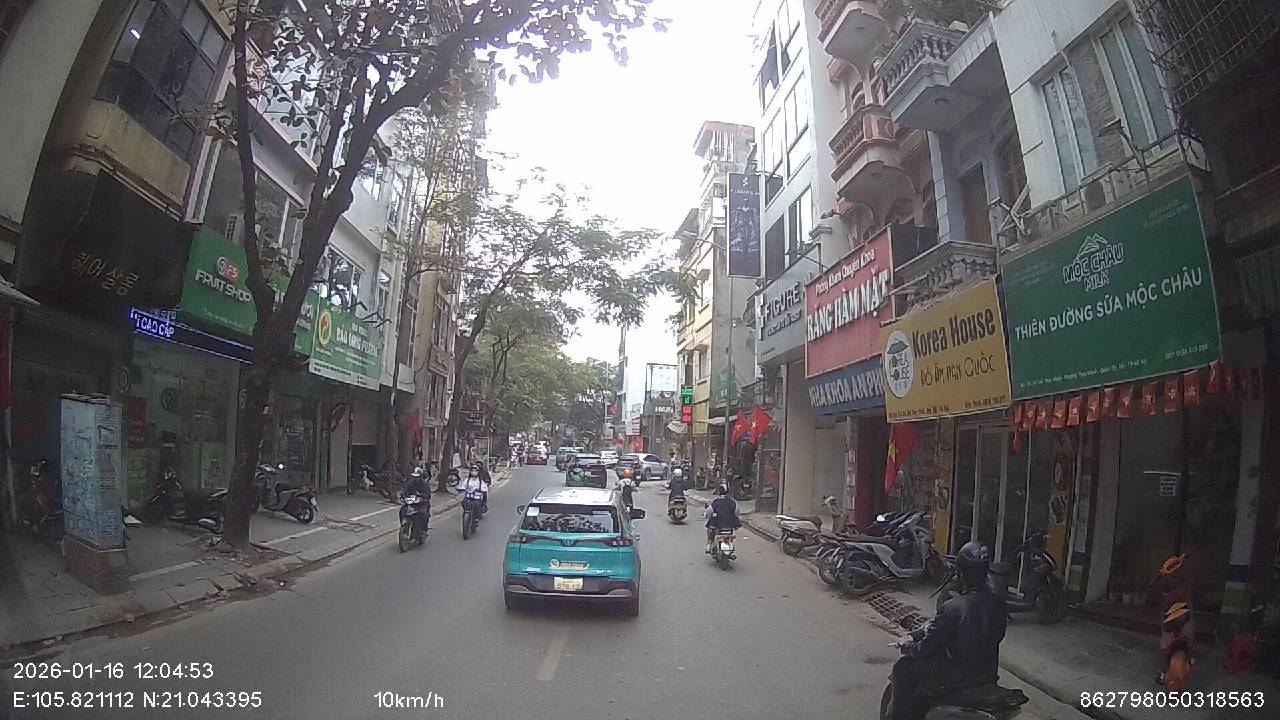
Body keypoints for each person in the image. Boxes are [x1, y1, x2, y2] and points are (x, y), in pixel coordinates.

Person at [888, 541, 1007, 720]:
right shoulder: (998, 603)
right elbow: (998, 635)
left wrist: (906, 646)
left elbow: (924, 649)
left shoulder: (955, 607)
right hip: (986, 673)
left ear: (961, 572)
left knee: (903, 667)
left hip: (954, 680)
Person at [704, 483, 741, 553]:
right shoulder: (732, 502)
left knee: (711, 528)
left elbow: (708, 513)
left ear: (719, 492)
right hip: (730, 525)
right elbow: (737, 512)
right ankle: (731, 548)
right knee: (731, 532)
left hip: (718, 525)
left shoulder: (715, 502)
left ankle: (709, 545)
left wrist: (706, 516)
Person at [400, 466, 432, 536]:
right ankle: (404, 524)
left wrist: (423, 496)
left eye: (417, 477)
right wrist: (403, 496)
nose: (415, 479)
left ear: (421, 477)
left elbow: (428, 495)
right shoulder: (410, 483)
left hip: (422, 504)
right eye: (414, 477)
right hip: (411, 503)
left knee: (423, 514)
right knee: (403, 510)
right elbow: (405, 491)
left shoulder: (425, 485)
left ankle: (423, 530)